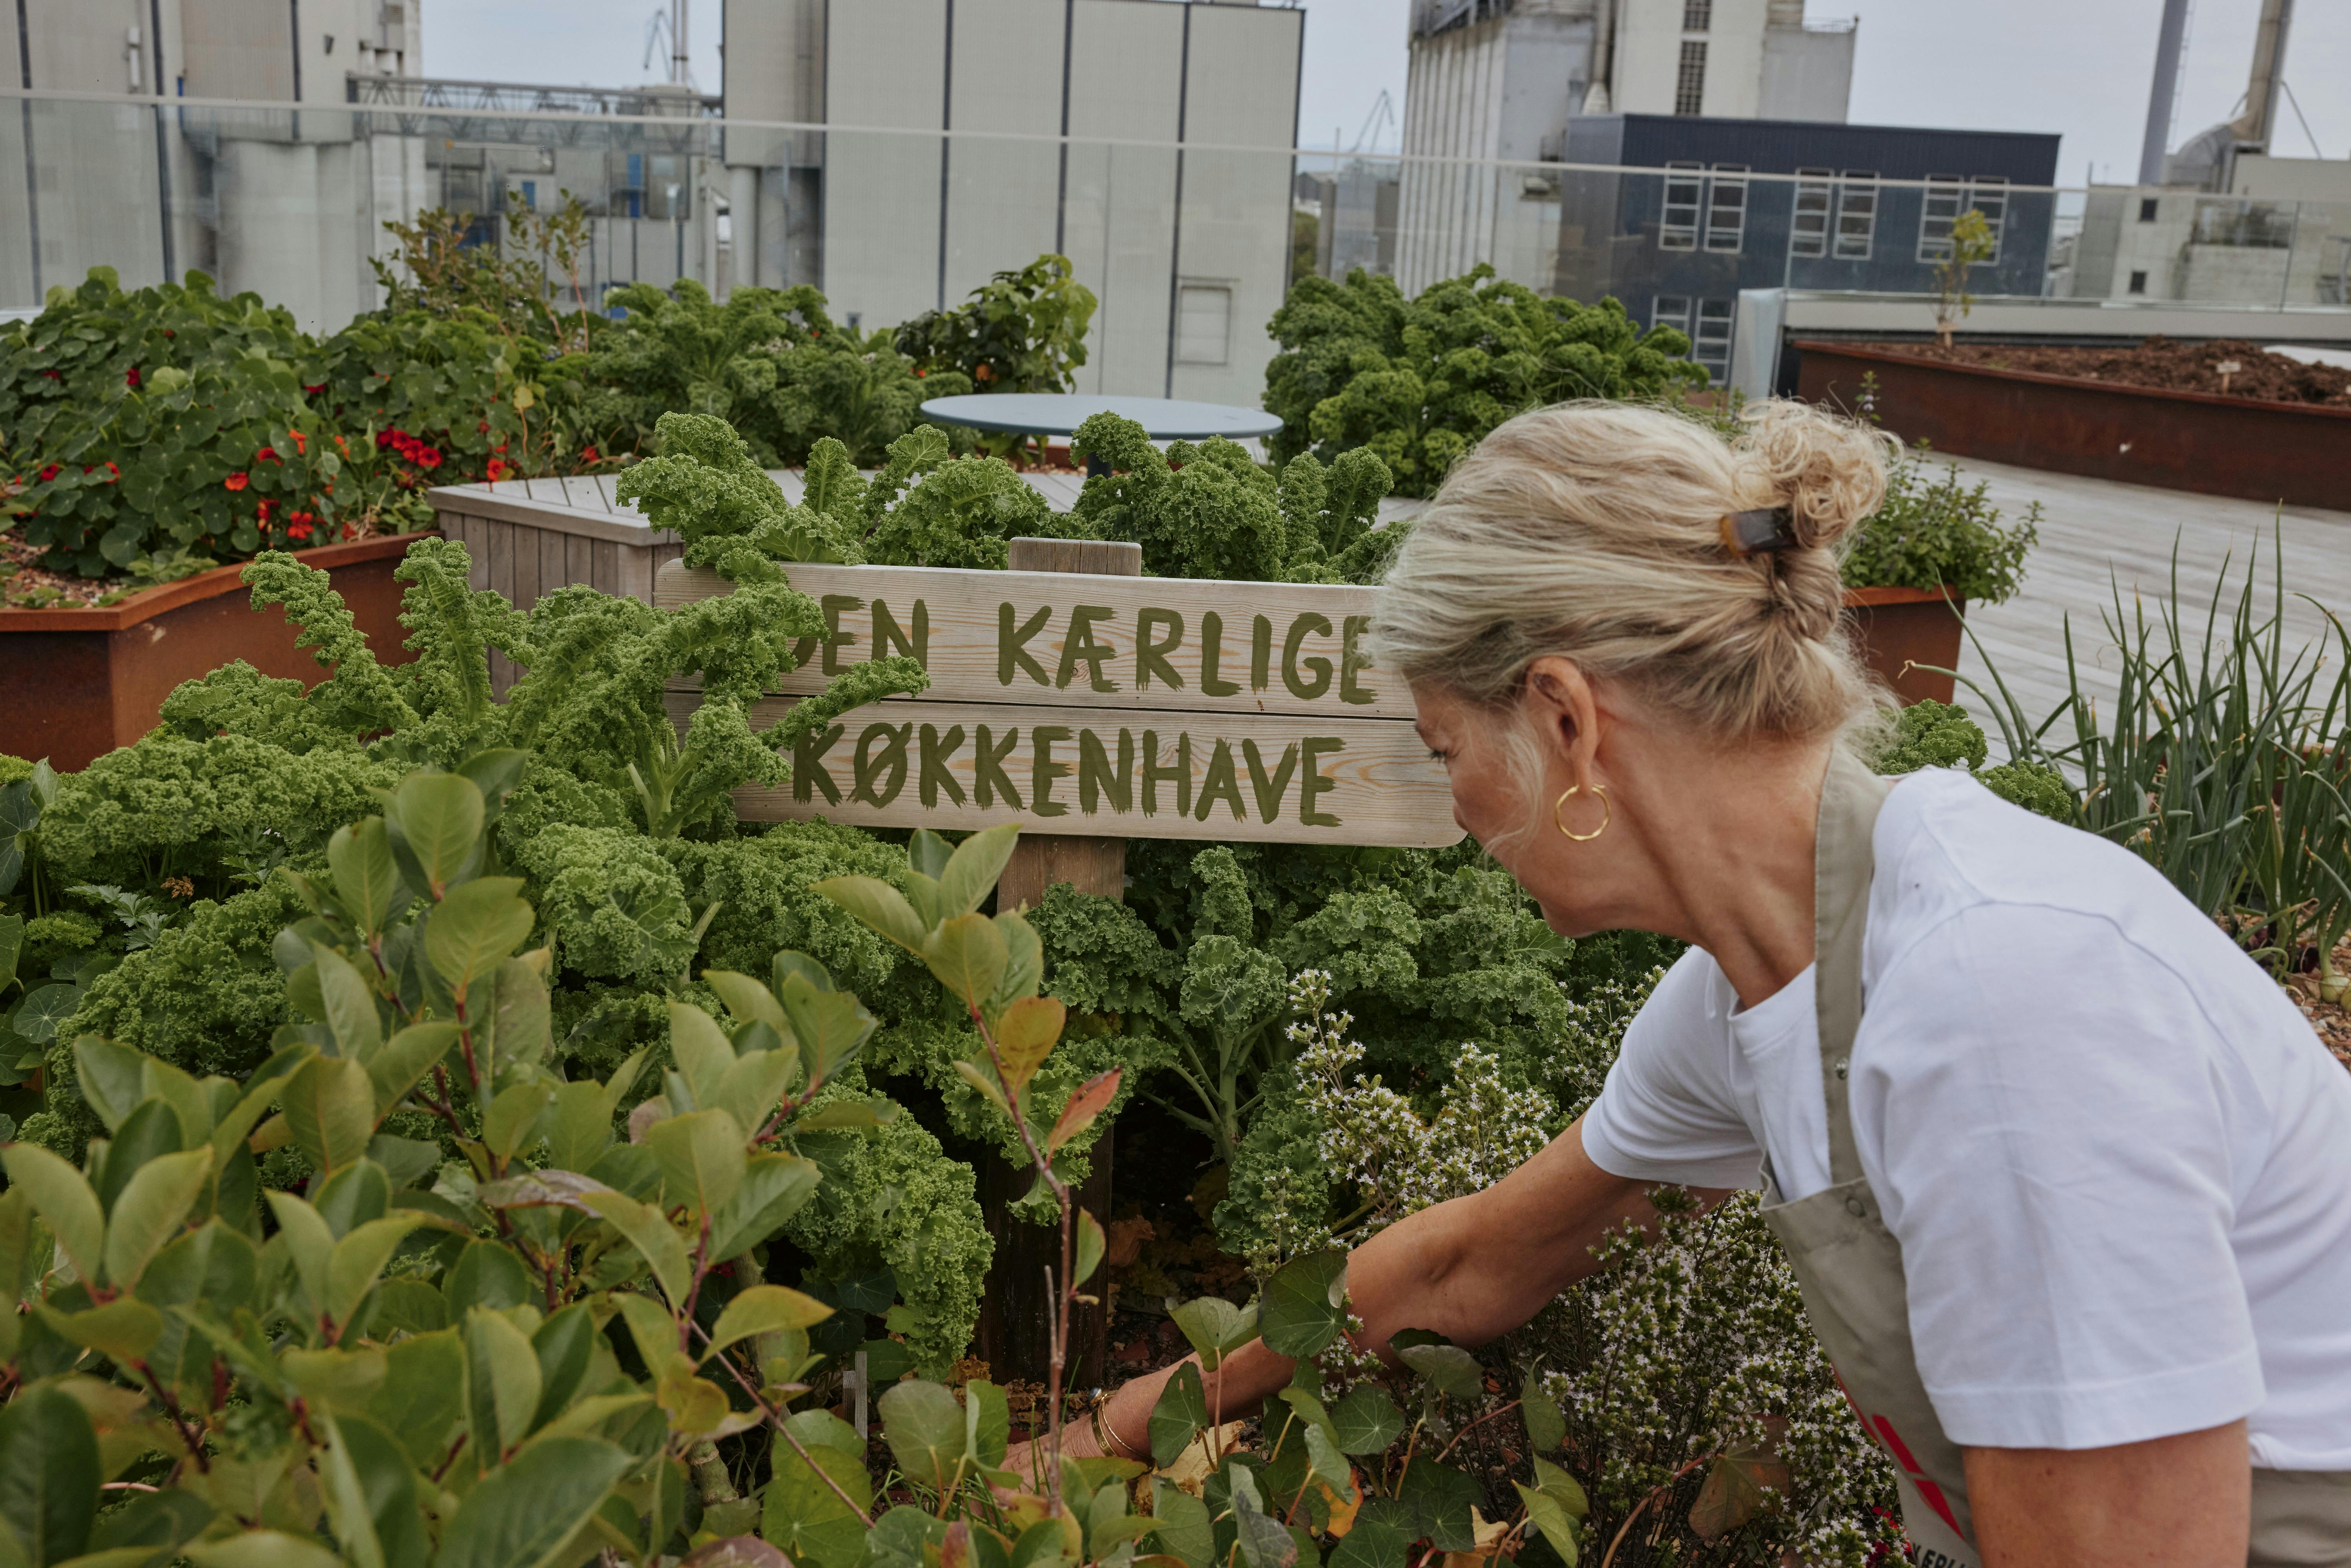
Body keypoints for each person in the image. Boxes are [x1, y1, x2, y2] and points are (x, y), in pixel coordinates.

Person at [1052, 400, 2351, 1566]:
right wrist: (1088, 1448)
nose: (1455, 809)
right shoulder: (1754, 991)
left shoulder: (1997, 997)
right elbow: (1465, 1265)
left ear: (1566, 718)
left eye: (1446, 748)